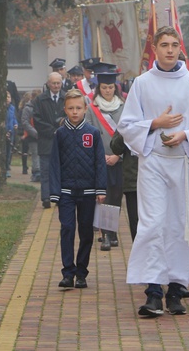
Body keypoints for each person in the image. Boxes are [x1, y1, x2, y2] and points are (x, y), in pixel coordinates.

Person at [117, 26, 189, 317]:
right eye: (164, 44)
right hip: (153, 161)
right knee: (152, 223)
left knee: (181, 224)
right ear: (154, 48)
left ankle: (175, 290)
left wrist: (185, 135)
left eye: (175, 44)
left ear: (180, 48)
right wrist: (155, 124)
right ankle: (153, 291)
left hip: (184, 163)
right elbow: (127, 125)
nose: (170, 50)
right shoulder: (142, 83)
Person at [49, 89, 107, 289]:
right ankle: (68, 272)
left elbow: (100, 162)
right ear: (65, 109)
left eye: (78, 108)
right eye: (71, 108)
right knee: (67, 229)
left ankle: (81, 272)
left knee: (86, 232)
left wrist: (101, 189)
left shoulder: (93, 133)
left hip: (88, 192)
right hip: (65, 192)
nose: (75, 112)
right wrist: (54, 192)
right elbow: (54, 164)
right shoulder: (60, 134)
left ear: (85, 109)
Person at [84, 66, 124, 251]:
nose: (107, 91)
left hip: (120, 159)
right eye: (104, 88)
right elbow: (90, 134)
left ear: (115, 87)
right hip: (101, 159)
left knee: (116, 196)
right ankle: (105, 235)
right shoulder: (92, 109)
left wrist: (118, 155)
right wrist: (102, 156)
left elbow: (129, 134)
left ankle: (113, 232)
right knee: (104, 196)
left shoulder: (124, 107)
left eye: (110, 87)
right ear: (98, 88)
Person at [33, 72, 66, 208]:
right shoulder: (40, 99)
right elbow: (37, 119)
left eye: (58, 83)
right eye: (54, 83)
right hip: (46, 141)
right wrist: (52, 130)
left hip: (63, 141)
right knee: (45, 170)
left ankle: (59, 196)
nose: (56, 85)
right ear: (48, 84)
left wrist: (62, 129)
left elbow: (71, 116)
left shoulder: (67, 98)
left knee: (61, 171)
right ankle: (46, 197)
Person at [110, 131, 139, 241]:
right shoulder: (128, 120)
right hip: (133, 181)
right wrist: (126, 131)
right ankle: (138, 255)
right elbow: (116, 148)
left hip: (157, 181)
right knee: (135, 221)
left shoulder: (160, 119)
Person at [20, 89, 41, 182]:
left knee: (41, 154)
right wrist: (34, 132)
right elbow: (25, 122)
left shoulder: (41, 107)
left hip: (42, 134)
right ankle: (36, 172)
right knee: (35, 153)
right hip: (32, 135)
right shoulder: (27, 108)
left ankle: (40, 170)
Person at [4, 91, 18, 178]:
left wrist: (16, 124)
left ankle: (7, 167)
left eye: (8, 97)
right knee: (4, 151)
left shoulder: (12, 108)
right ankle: (4, 168)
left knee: (9, 151)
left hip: (11, 131)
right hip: (4, 132)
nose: (7, 99)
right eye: (5, 97)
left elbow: (14, 118)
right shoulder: (1, 108)